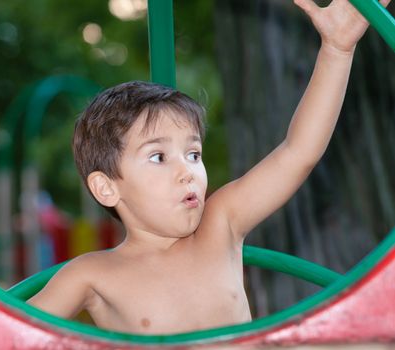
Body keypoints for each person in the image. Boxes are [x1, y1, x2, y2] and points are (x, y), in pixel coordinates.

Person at [27, 0, 391, 335]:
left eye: (194, 154)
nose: (187, 171)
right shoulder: (92, 274)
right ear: (107, 187)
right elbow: (7, 332)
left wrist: (337, 49)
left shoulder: (220, 224)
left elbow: (298, 152)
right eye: (158, 157)